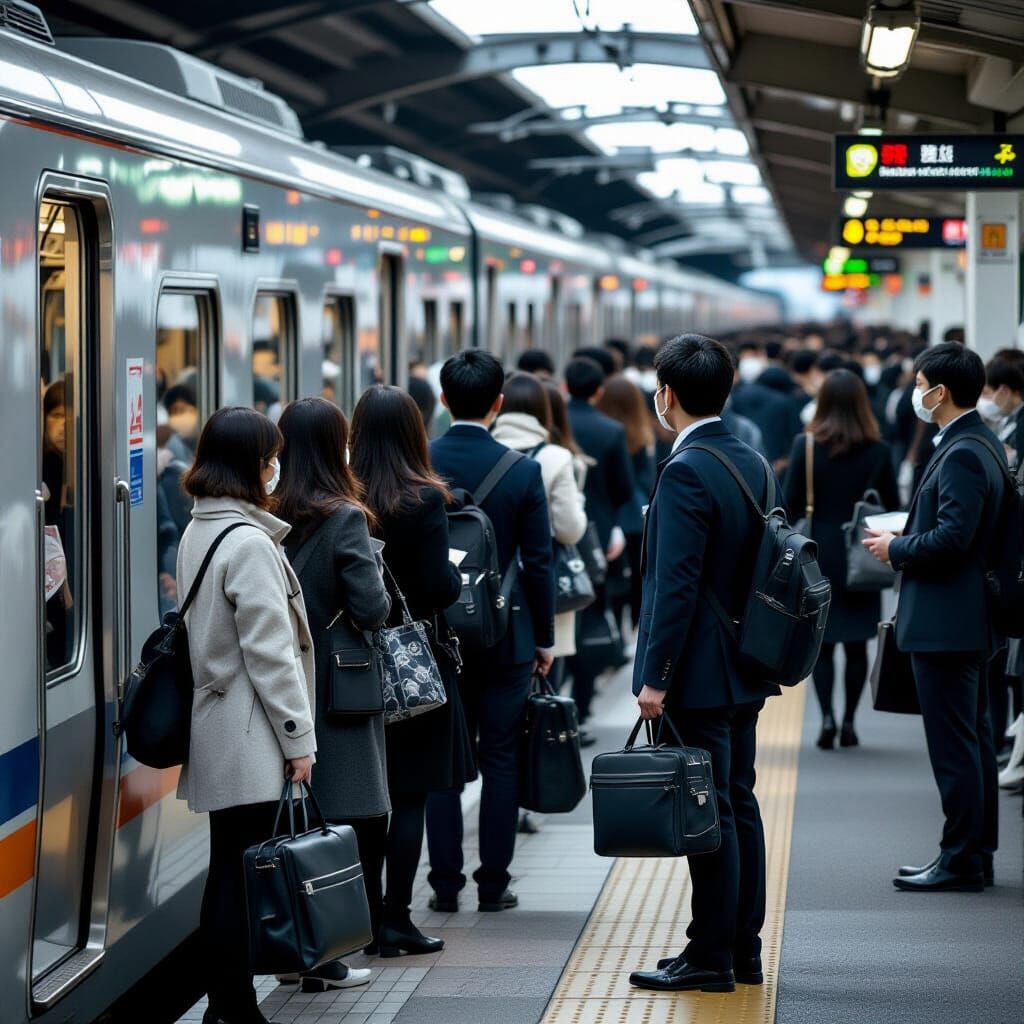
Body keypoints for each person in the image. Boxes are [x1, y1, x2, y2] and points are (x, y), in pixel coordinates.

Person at [628, 334, 781, 995]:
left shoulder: (686, 470)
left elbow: (676, 586)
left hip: (699, 671)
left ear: (667, 394)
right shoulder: (751, 458)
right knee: (738, 803)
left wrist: (654, 677)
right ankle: (740, 948)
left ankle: (709, 957)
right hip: (746, 663)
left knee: (709, 812)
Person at [176, 407, 316, 1024]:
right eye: (269, 457)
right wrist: (298, 739)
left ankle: (223, 1003)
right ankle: (234, 1007)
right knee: (240, 875)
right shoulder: (249, 542)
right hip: (252, 730)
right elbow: (271, 655)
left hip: (216, 723)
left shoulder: (198, 530)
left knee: (226, 870)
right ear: (250, 466)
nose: (274, 467)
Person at [864, 343, 1007, 893]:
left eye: (921, 383)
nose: (917, 393)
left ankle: (959, 857)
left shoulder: (964, 451)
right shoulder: (978, 443)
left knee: (954, 748)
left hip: (951, 621)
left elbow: (954, 538)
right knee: (972, 741)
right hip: (968, 619)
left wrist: (896, 547)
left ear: (938, 392)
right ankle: (974, 852)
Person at [425, 350, 555, 914]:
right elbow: (541, 562)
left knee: (440, 765)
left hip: (434, 640)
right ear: (499, 404)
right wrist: (544, 639)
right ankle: (493, 883)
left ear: (444, 401)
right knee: (500, 758)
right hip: (506, 636)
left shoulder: (419, 465)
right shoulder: (523, 470)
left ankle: (444, 886)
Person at [349, 385, 474, 955]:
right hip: (413, 667)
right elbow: (437, 587)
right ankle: (395, 921)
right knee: (410, 796)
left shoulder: (339, 497)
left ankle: (361, 919)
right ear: (414, 432)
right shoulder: (422, 499)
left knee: (365, 800)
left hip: (349, 668)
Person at [275, 398, 392, 989]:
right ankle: (327, 955)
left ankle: (293, 951)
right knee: (340, 824)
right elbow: (373, 608)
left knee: (291, 824)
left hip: (283, 689)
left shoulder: (267, 513)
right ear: (336, 447)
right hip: (338, 692)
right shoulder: (344, 515)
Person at [784, 370, 899, 749]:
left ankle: (827, 720)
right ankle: (850, 721)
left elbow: (791, 504)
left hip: (819, 552)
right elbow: (891, 509)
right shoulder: (878, 450)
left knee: (823, 643)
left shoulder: (807, 446)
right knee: (856, 643)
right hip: (862, 550)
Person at [492, 372, 588, 673]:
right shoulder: (556, 457)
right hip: (542, 588)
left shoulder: (487, 450)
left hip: (486, 589)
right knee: (545, 687)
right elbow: (569, 530)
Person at [566, 357, 635, 727]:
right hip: (598, 537)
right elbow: (623, 488)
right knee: (592, 615)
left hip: (559, 539)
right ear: (598, 391)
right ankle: (583, 700)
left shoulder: (555, 425)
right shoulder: (610, 430)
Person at [596, 374, 655, 634]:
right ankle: (632, 626)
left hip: (608, 512)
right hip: (636, 514)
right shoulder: (642, 434)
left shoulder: (604, 432)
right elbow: (647, 479)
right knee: (636, 576)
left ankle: (613, 628)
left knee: (612, 574)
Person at [980, 355, 1024, 468]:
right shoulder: (1011, 418)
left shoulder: (1021, 423)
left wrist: (1015, 460)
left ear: (1004, 391)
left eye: (986, 393)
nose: (982, 400)